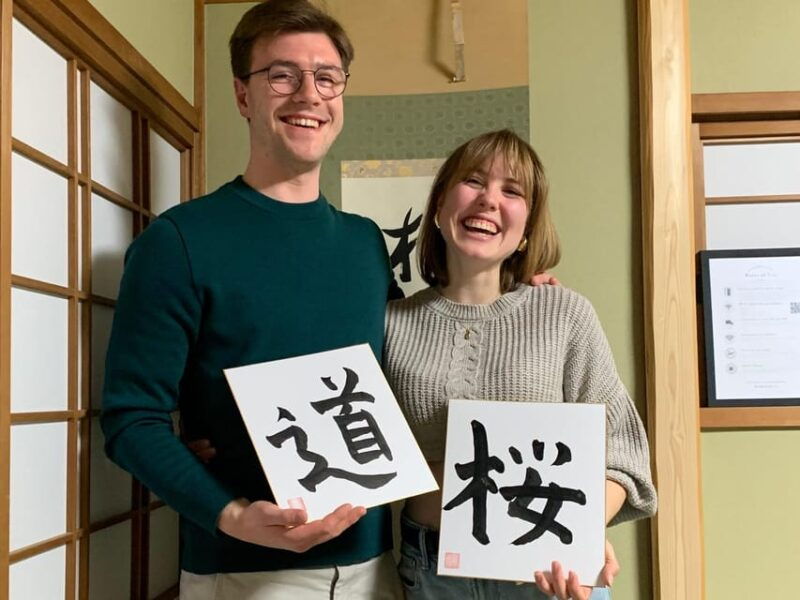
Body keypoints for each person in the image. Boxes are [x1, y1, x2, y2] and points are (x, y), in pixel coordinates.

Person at [100, 1, 404, 597]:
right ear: (243, 95)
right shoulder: (179, 241)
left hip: (379, 562)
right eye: (282, 75)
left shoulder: (365, 242)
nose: (309, 94)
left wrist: (517, 284)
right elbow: (130, 419)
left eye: (326, 77)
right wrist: (231, 514)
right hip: (244, 570)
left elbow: (412, 357)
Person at [382, 129, 657, 600]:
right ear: (440, 204)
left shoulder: (565, 313)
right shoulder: (389, 323)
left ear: (528, 226)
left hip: (548, 570)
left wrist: (579, 532)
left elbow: (623, 460)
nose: (489, 200)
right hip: (429, 569)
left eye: (512, 191)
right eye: (473, 181)